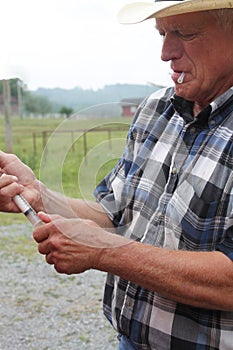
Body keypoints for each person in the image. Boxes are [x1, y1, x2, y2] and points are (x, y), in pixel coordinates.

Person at [0, 0, 233, 349]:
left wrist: (105, 252)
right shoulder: (155, 109)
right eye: (163, 33)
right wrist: (38, 192)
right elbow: (115, 211)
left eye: (185, 33)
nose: (166, 52)